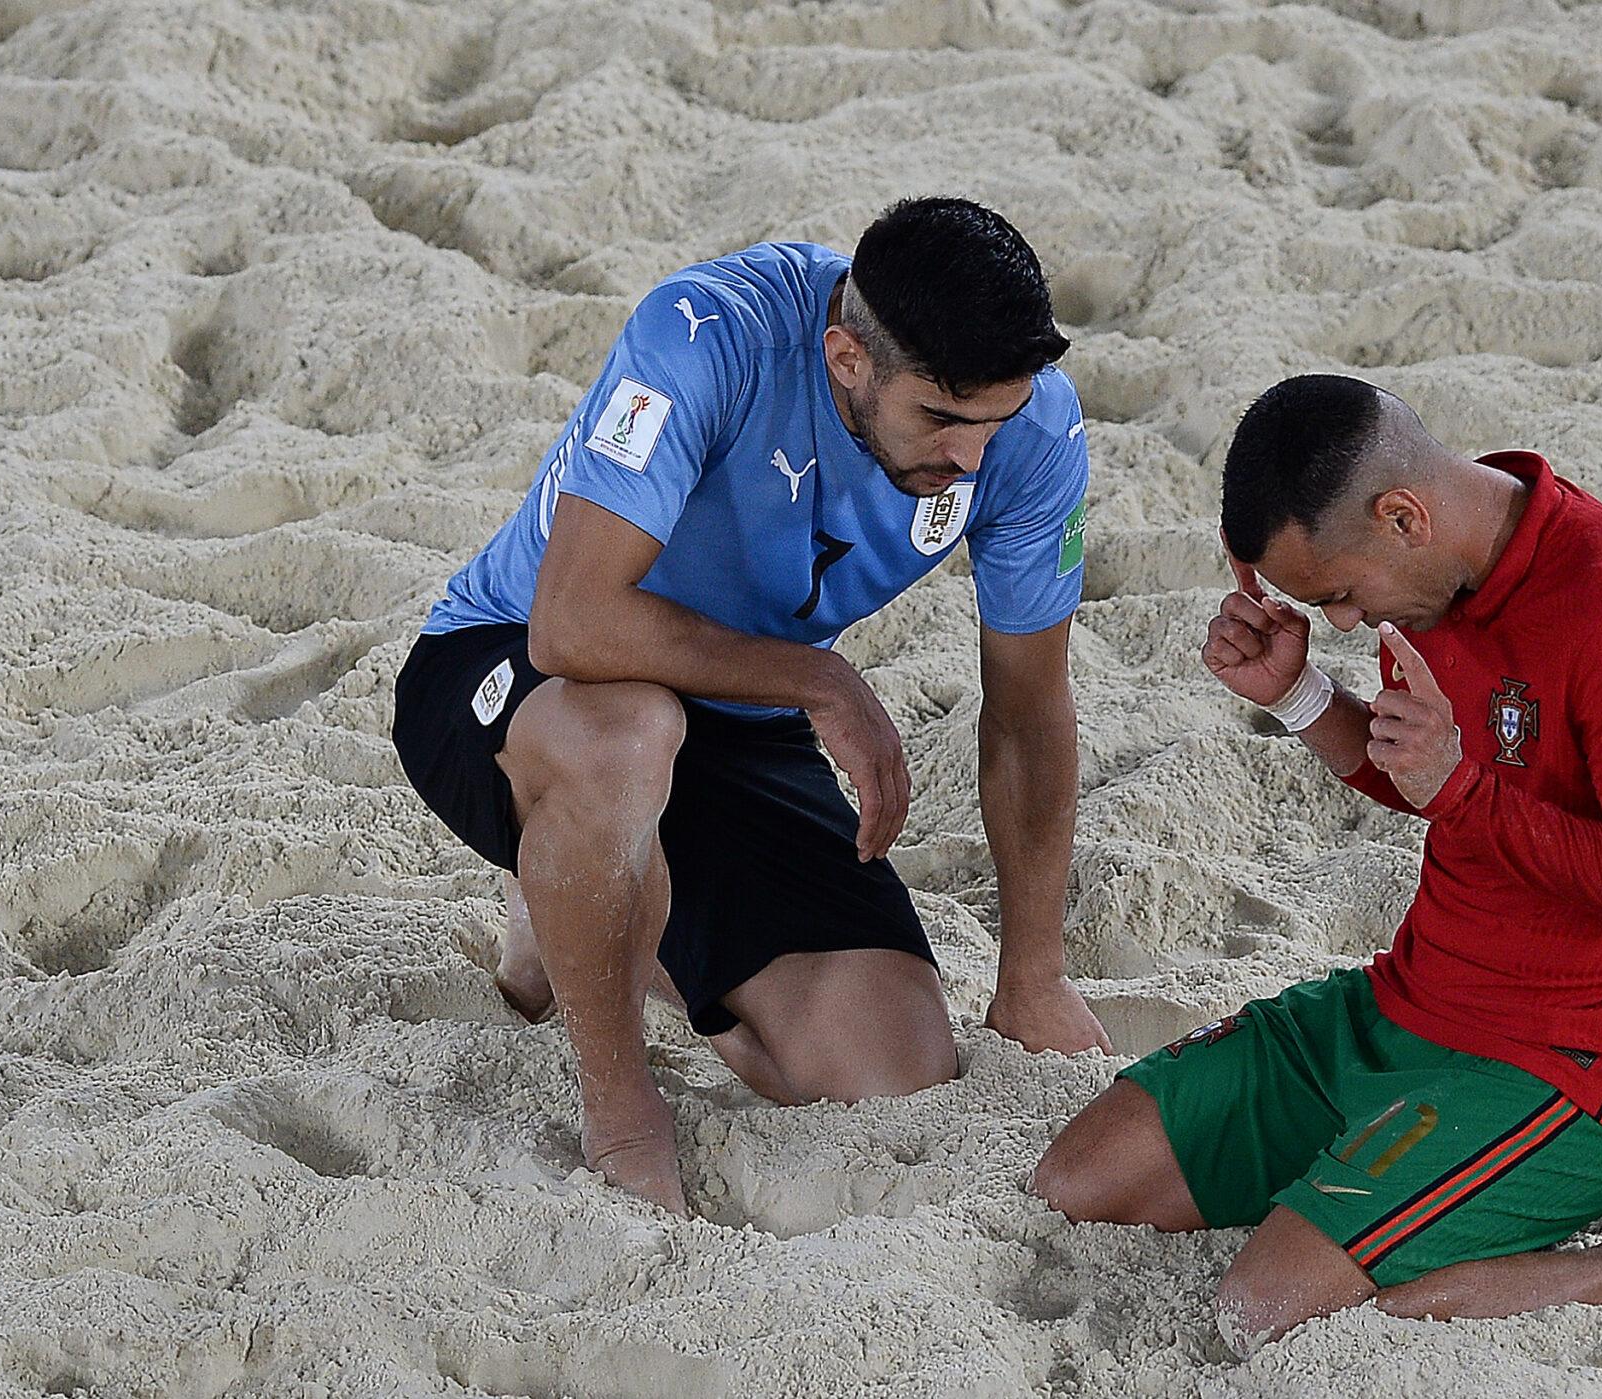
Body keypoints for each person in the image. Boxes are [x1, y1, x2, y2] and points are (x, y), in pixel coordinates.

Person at [1030, 374, 1602, 1351]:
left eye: (1339, 596)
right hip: (1402, 1007)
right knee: (1080, 1180)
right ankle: (1372, 1203)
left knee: (1259, 1310)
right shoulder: (1426, 582)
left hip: (1563, 1067)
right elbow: (1423, 777)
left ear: (1403, 516)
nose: (1344, 624)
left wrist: (1466, 787)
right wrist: (1302, 696)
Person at [391, 197, 1112, 1216]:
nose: (971, 459)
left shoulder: (1027, 431)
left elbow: (1030, 714)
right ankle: (617, 1093)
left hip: (731, 703)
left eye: (994, 422)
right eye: (942, 421)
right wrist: (823, 679)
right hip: (513, 663)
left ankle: (577, 899)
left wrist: (1031, 976)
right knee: (630, 734)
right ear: (846, 359)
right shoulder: (705, 334)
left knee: (887, 1062)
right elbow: (572, 621)